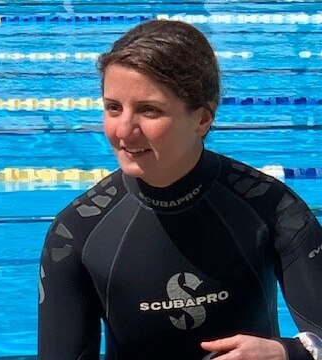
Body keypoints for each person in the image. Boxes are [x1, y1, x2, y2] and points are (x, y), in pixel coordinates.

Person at [38, 19, 322, 359]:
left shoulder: (273, 209)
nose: (124, 130)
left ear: (202, 119)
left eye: (149, 110)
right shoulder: (76, 233)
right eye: (113, 107)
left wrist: (289, 353)